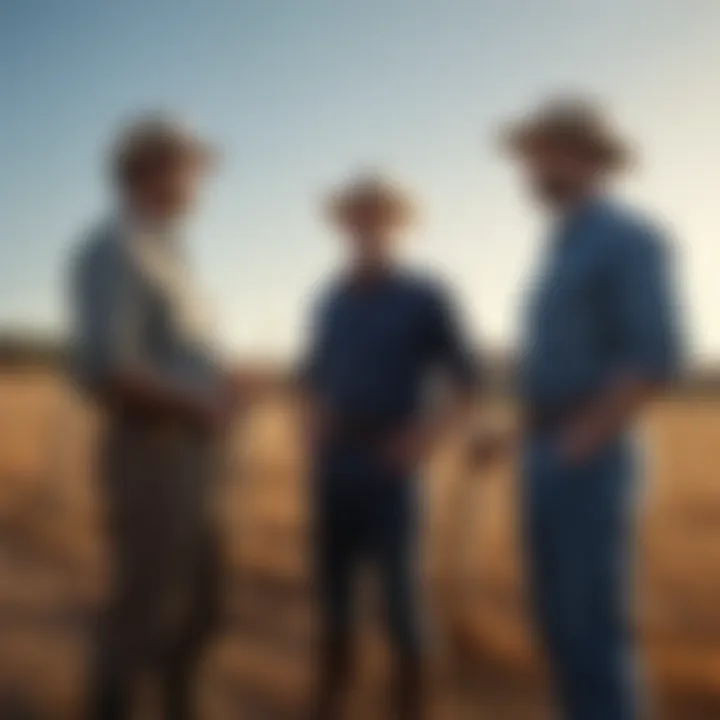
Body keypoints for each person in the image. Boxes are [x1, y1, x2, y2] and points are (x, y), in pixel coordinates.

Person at [499, 97, 682, 719]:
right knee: (559, 631)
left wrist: (583, 436)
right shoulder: (562, 246)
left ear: (584, 157)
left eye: (541, 154)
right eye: (528, 157)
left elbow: (654, 353)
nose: (530, 170)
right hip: (547, 448)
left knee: (591, 638)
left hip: (588, 457)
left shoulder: (626, 237)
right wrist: (521, 434)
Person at [69, 115, 240, 720]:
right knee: (144, 613)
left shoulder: (169, 252)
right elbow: (112, 370)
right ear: (153, 168)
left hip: (192, 456)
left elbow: (173, 359)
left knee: (202, 609)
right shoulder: (115, 248)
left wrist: (223, 386)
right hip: (154, 455)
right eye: (192, 168)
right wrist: (206, 404)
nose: (200, 183)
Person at [301, 174, 481, 719]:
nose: (367, 225)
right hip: (335, 466)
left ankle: (411, 704)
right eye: (358, 216)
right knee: (333, 597)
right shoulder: (329, 300)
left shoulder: (426, 295)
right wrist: (312, 427)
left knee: (402, 602)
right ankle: (331, 701)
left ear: (399, 224)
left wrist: (424, 438)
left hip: (393, 466)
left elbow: (469, 379)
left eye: (379, 216)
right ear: (344, 225)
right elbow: (311, 377)